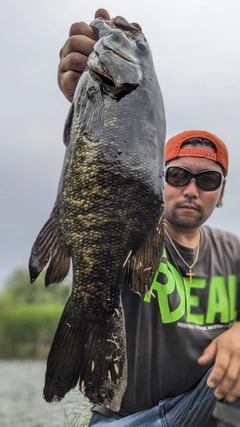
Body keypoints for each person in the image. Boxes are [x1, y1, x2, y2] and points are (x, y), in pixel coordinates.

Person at [57, 8, 240, 427]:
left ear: (222, 193)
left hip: (206, 407)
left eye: (208, 179)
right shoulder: (136, 229)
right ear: (156, 178)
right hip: (128, 418)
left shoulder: (232, 251)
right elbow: (104, 188)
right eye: (177, 174)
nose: (191, 189)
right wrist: (87, 103)